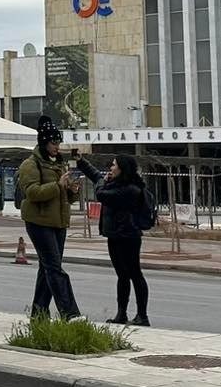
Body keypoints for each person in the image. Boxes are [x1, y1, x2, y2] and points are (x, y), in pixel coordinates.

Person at [15, 125, 83, 320]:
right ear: (44, 143)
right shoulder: (30, 164)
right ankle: (70, 314)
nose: (57, 146)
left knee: (47, 268)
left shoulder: (59, 164)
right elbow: (32, 193)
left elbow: (65, 198)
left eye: (58, 142)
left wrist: (72, 190)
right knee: (54, 267)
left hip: (58, 222)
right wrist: (58, 185)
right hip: (39, 222)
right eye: (53, 143)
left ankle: (38, 315)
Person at [87, 154, 154, 327]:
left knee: (134, 274)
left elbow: (101, 194)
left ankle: (142, 315)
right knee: (122, 275)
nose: (111, 168)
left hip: (128, 236)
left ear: (122, 168)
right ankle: (122, 313)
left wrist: (103, 181)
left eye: (114, 165)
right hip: (115, 234)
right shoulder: (117, 184)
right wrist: (81, 162)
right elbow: (96, 177)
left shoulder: (130, 189)